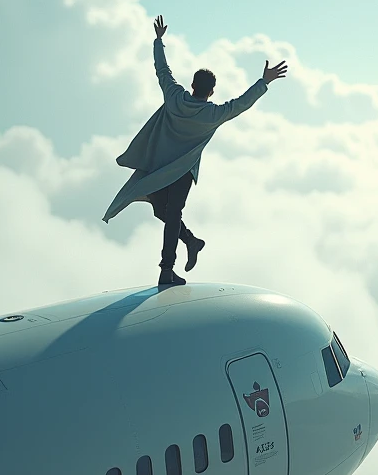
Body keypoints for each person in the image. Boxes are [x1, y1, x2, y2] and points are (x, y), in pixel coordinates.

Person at [103, 15, 287, 286]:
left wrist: (158, 40)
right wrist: (264, 82)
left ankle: (168, 269)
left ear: (192, 86)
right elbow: (241, 104)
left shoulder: (175, 97)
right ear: (211, 92)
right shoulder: (213, 114)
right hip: (181, 172)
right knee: (167, 213)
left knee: (167, 213)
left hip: (160, 167)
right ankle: (189, 242)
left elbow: (162, 71)